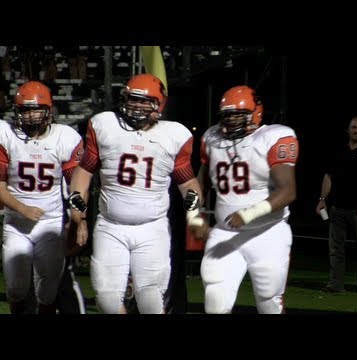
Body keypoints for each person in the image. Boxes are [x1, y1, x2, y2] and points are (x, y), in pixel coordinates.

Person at [68, 73, 203, 314]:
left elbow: (188, 181)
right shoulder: (105, 125)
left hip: (152, 228)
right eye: (133, 100)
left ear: (158, 104)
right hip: (111, 225)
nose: (137, 106)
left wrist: (193, 202)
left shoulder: (174, 135)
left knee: (150, 300)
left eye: (145, 101)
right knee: (107, 300)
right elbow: (84, 171)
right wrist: (78, 212)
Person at [187, 85, 298, 314]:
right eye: (227, 116)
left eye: (238, 115)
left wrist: (248, 213)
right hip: (226, 232)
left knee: (269, 303)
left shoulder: (272, 137)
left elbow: (288, 191)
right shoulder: (212, 138)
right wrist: (193, 217)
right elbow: (197, 186)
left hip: (268, 232)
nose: (231, 121)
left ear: (255, 113)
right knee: (215, 301)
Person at [0, 80, 84, 314]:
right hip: (16, 224)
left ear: (49, 110)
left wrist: (79, 219)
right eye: (25, 110)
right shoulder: (6, 135)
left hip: (50, 223)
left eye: (36, 109)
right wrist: (22, 208)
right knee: (16, 289)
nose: (31, 116)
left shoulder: (64, 137)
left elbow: (77, 183)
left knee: (47, 293)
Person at [315, 115, 357, 293]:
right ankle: (335, 284)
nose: (356, 130)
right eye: (353, 127)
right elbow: (328, 176)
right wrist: (322, 200)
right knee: (335, 249)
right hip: (338, 207)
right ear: (348, 130)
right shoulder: (338, 150)